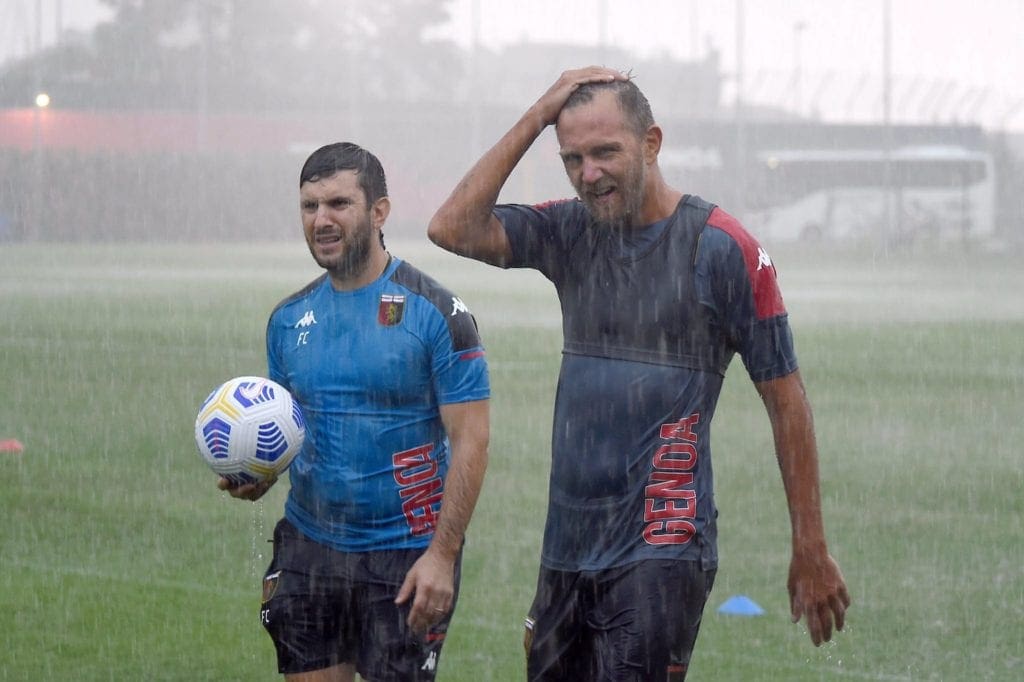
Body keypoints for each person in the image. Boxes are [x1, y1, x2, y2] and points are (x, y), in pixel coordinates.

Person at [427, 67, 850, 680]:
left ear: (652, 143)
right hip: (568, 551)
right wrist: (540, 112)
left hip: (663, 549)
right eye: (572, 159)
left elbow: (787, 401)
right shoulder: (570, 231)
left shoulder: (720, 247)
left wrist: (810, 545)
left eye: (606, 152)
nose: (588, 174)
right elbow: (452, 227)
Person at [220, 142, 491, 682]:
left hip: (405, 554)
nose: (321, 220)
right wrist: (260, 472)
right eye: (310, 206)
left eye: (339, 204)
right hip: (310, 548)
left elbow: (472, 441)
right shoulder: (288, 319)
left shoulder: (437, 313)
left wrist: (442, 556)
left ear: (379, 211)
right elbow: (287, 429)